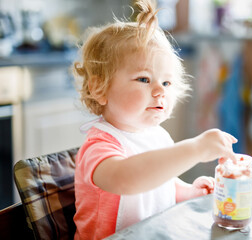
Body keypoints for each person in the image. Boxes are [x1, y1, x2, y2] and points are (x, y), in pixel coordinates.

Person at [72, 0, 238, 239]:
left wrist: (188, 191)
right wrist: (195, 148)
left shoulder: (158, 136)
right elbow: (126, 179)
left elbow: (160, 185)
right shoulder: (99, 146)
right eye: (144, 79)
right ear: (99, 88)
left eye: (167, 83)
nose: (160, 91)